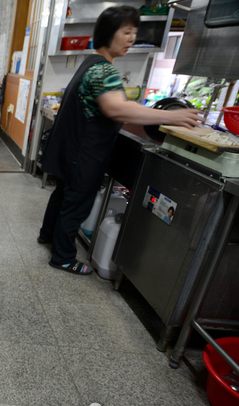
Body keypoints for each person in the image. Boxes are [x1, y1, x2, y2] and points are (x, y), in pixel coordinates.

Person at [37, 5, 204, 275]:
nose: (132, 38)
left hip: (72, 150)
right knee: (77, 203)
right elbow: (115, 108)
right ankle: (63, 256)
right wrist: (172, 117)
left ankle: (48, 235)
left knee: (62, 195)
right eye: (126, 31)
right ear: (108, 33)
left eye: (134, 32)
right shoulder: (104, 71)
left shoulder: (90, 63)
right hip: (85, 153)